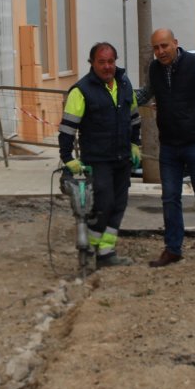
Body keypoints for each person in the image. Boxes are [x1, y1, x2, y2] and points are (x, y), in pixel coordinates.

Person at [138, 28, 195, 267]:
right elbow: (146, 94)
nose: (160, 51)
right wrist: (118, 97)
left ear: (175, 43)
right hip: (168, 145)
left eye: (164, 46)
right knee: (169, 197)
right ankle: (173, 248)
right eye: (156, 48)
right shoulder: (154, 69)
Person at [58, 42, 142, 268]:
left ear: (116, 62)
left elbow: (134, 118)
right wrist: (68, 158)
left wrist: (135, 144)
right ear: (92, 63)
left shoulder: (125, 84)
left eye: (111, 62)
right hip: (97, 160)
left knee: (119, 205)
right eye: (101, 62)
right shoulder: (81, 91)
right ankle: (90, 249)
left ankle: (106, 252)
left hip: (122, 158)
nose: (107, 67)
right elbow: (67, 128)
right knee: (104, 204)